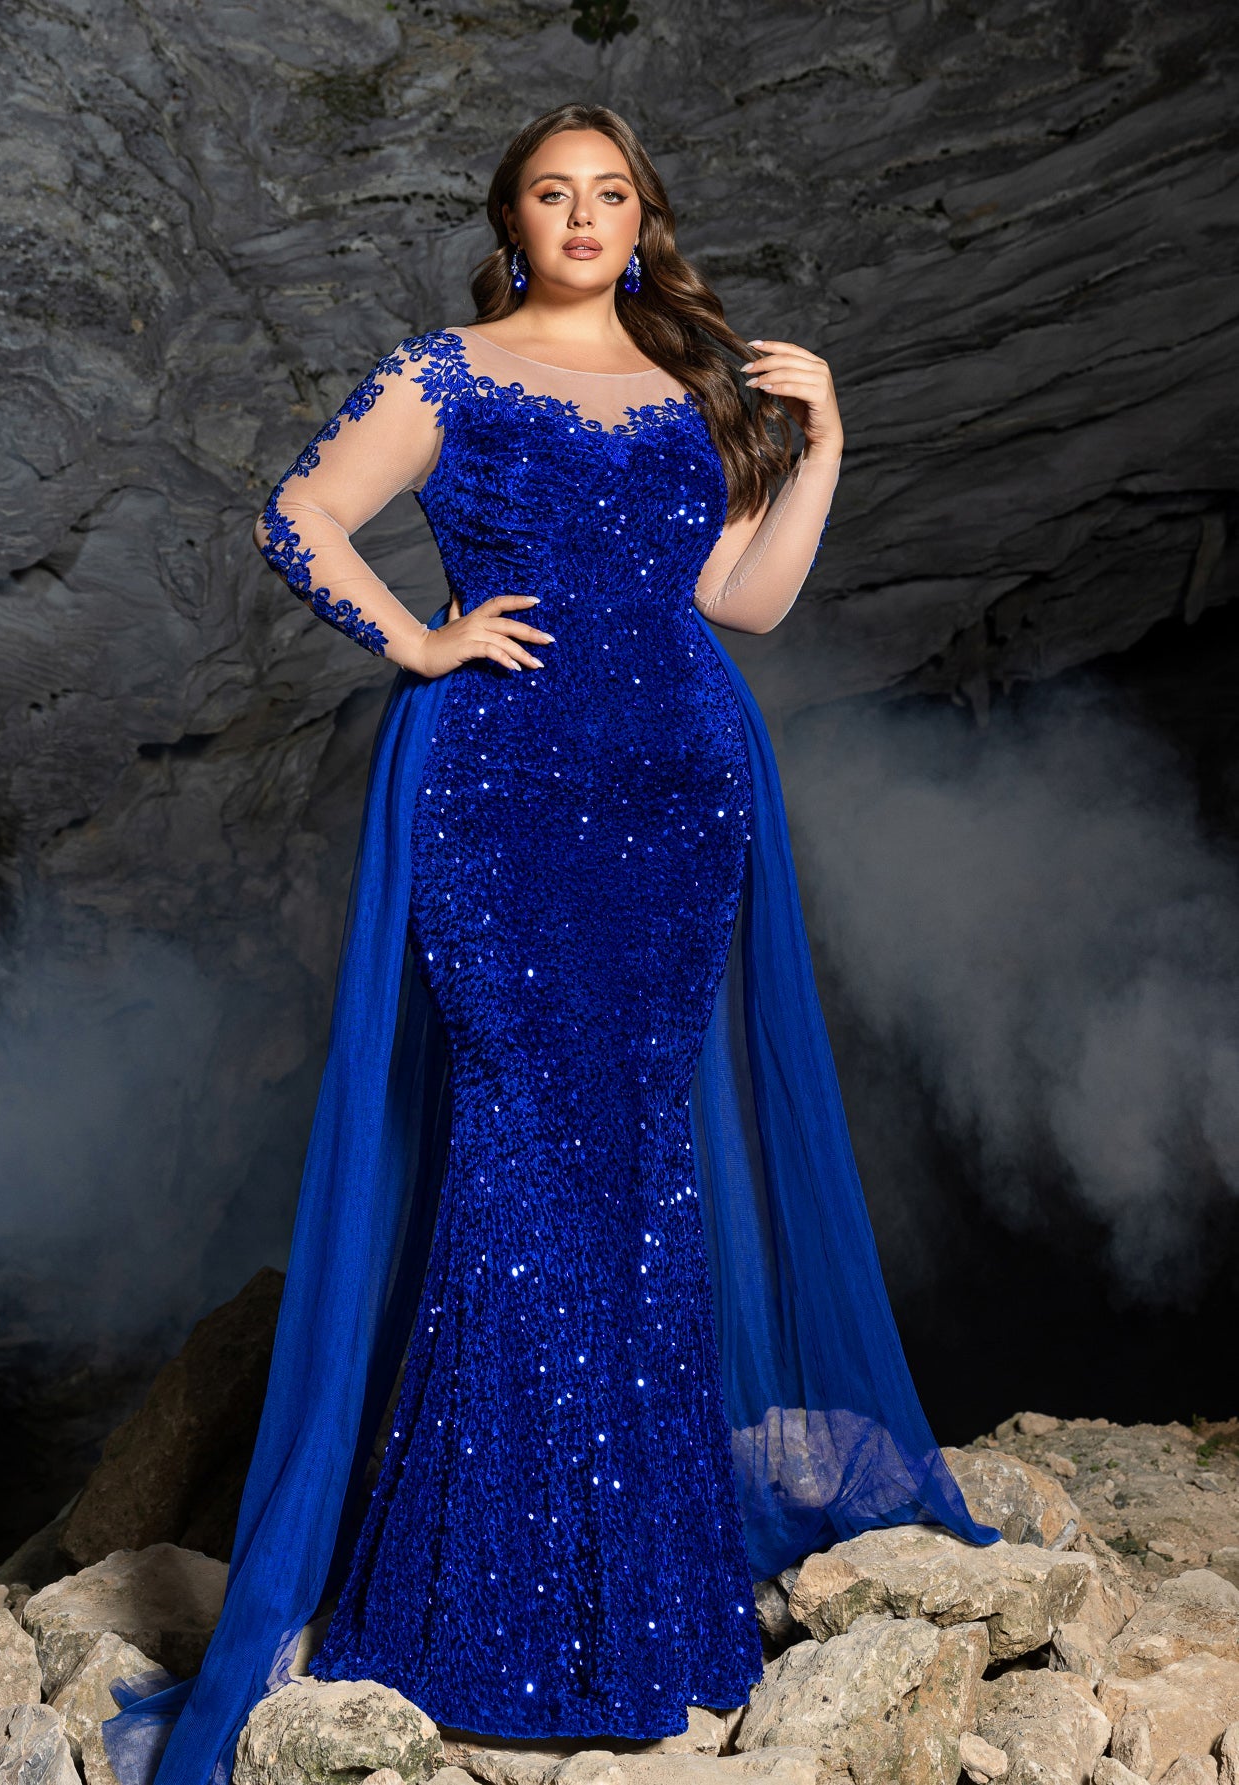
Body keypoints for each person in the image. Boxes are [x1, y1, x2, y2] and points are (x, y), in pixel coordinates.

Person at [101, 101, 1001, 1785]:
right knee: (521, 1156)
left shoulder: (692, 382)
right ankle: (472, 1616)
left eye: (611, 193)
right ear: (510, 221)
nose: (583, 216)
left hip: (677, 799)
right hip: (504, 799)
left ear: (642, 222)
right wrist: (418, 638)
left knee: (643, 1162)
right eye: (550, 192)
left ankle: (647, 1608)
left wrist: (822, 447)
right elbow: (297, 515)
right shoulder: (445, 371)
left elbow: (743, 600)